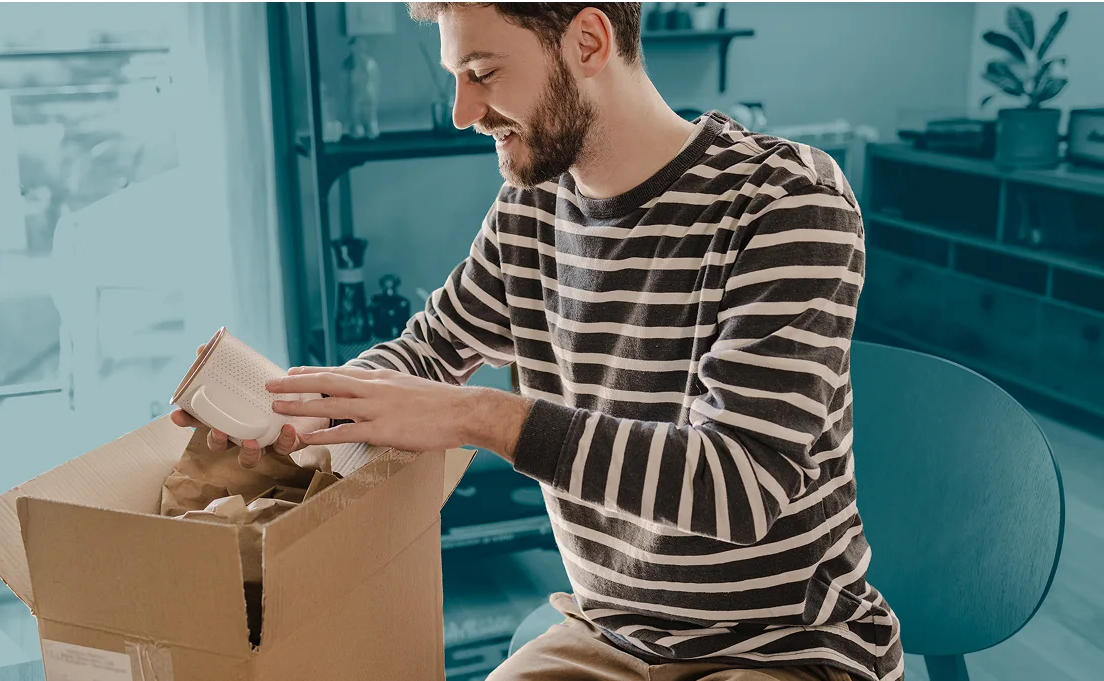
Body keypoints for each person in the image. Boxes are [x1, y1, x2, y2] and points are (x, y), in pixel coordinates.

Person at [173, 2, 902, 680]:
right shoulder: (532, 209)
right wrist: (294, 412)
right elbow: (425, 352)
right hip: (613, 635)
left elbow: (740, 486)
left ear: (588, 42)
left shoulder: (786, 199)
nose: (464, 113)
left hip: (785, 647)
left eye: (482, 73)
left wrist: (479, 416)